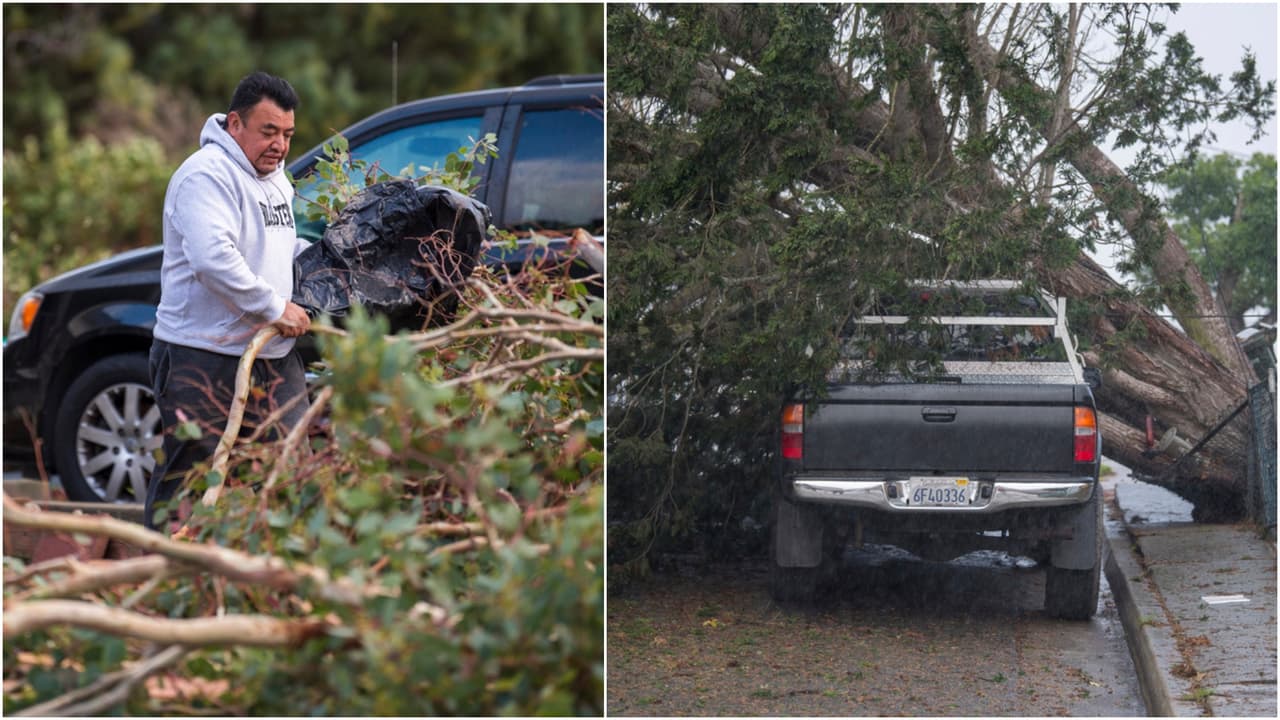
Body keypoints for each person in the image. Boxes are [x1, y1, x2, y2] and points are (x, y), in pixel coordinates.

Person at [145, 72, 312, 531]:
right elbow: (213, 259)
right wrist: (275, 307)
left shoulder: (277, 180)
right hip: (203, 356)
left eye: (287, 134)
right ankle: (164, 580)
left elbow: (273, 247)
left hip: (272, 356)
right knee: (190, 480)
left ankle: (278, 583)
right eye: (268, 131)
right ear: (235, 123)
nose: (279, 145)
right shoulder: (204, 176)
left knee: (292, 471)